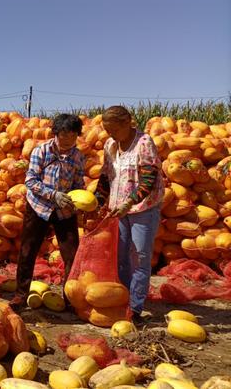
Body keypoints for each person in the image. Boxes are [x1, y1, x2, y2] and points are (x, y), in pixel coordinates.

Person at [9, 114, 86, 313]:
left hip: (65, 210)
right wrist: (53, 195)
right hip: (38, 208)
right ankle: (20, 294)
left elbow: (79, 183)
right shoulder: (41, 151)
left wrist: (78, 200)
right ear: (56, 133)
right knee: (28, 251)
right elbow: (31, 181)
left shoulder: (78, 156)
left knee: (72, 255)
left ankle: (69, 299)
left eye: (73, 135)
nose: (68, 139)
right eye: (64, 134)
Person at [95, 105, 163, 324]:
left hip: (142, 209)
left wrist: (130, 202)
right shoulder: (110, 145)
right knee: (121, 256)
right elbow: (106, 175)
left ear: (127, 123)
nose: (110, 135)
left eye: (113, 130)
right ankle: (122, 298)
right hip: (117, 209)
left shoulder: (144, 143)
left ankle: (135, 307)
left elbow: (148, 179)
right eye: (107, 130)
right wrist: (97, 200)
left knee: (140, 257)